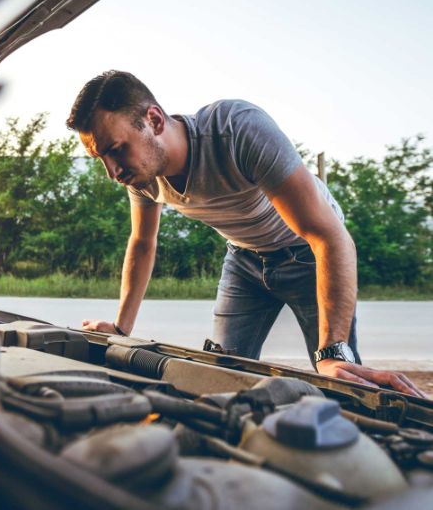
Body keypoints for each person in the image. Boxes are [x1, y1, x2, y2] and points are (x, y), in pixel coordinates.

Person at [66, 70, 426, 398]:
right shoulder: (141, 175)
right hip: (243, 260)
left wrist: (332, 351)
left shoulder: (237, 129)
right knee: (218, 381)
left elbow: (330, 236)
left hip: (306, 253)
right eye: (101, 158)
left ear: (154, 120)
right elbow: (143, 243)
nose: (112, 171)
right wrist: (120, 328)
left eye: (115, 150)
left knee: (342, 380)